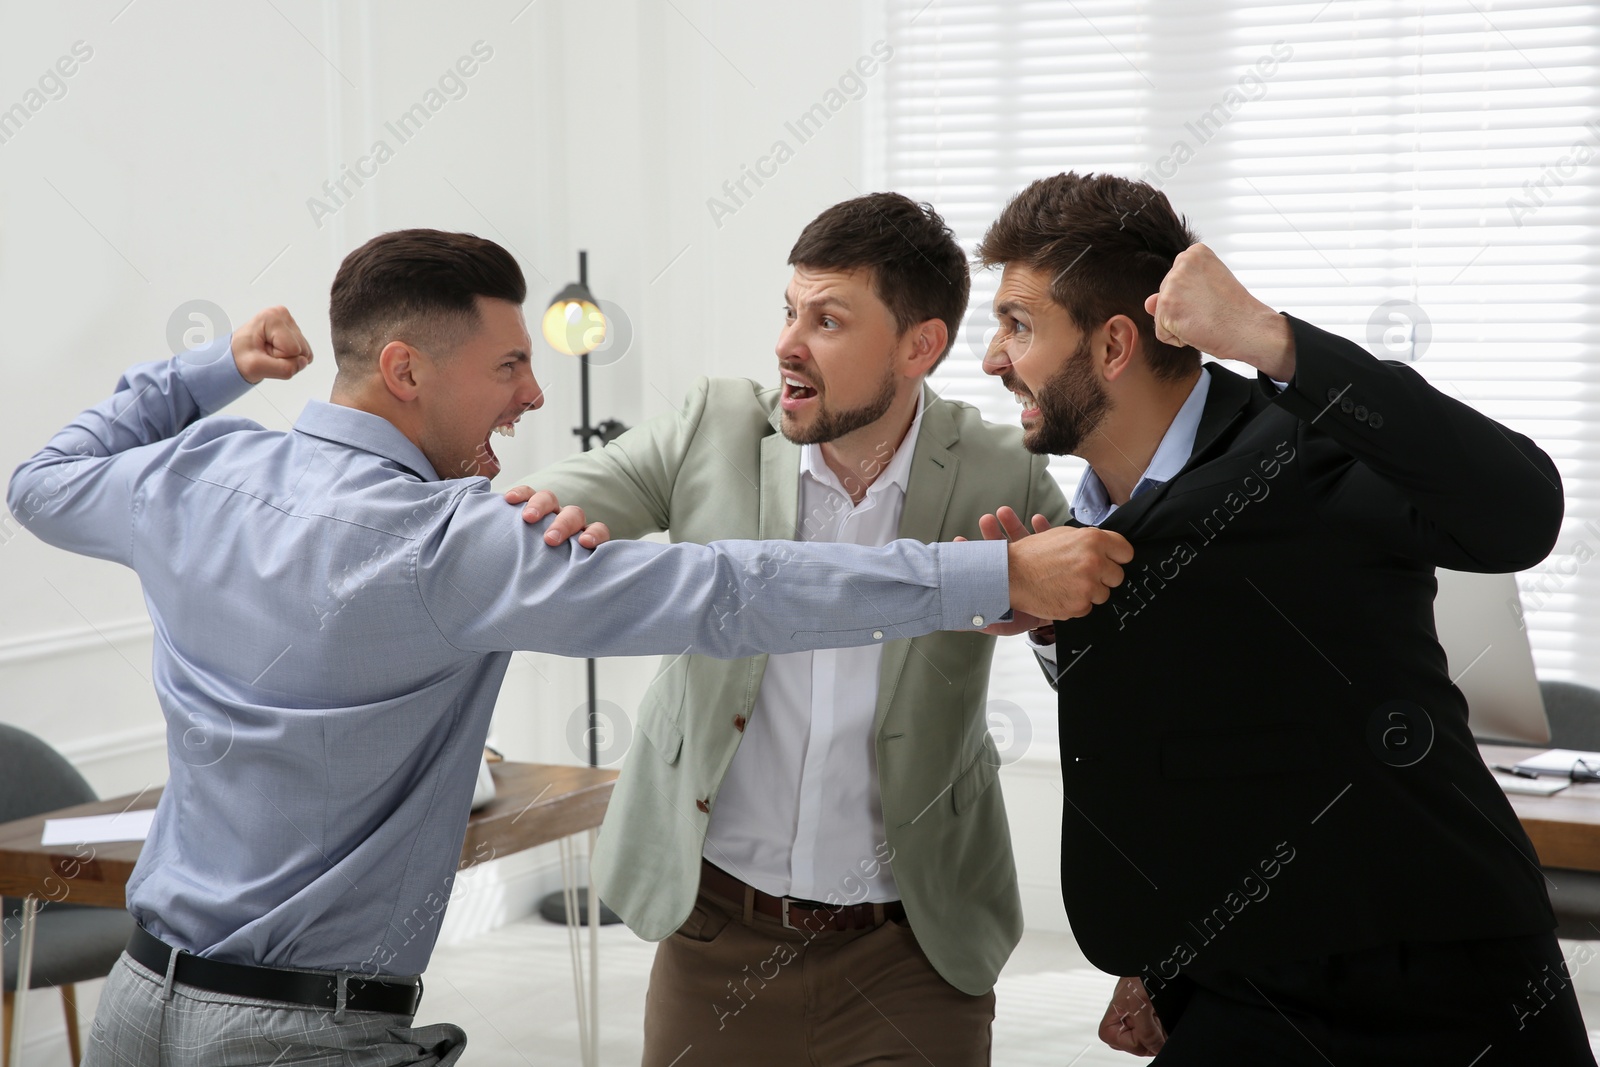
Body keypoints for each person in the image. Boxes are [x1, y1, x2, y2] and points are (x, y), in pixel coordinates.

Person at [6, 228, 1128, 1066]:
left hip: (138, 1002)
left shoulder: (193, 475)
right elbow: (722, 588)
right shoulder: (448, 543)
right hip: (298, 1027)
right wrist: (989, 572)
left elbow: (40, 482)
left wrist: (212, 371)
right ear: (406, 370)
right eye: (506, 366)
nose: (535, 392)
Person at [971, 171, 1592, 1064]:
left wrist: (1275, 339)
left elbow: (1520, 510)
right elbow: (1193, 746)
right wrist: (1056, 629)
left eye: (1018, 325)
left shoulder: (1307, 448)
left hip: (1436, 983)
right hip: (1244, 987)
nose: (994, 357)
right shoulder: (1087, 528)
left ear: (1113, 345)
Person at [507, 193, 1076, 1066]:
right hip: (715, 934)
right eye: (789, 311)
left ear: (919, 346)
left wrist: (1043, 625)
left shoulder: (1003, 468)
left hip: (913, 947)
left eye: (829, 318)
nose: (786, 343)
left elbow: (1096, 650)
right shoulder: (716, 427)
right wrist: (532, 510)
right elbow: (569, 493)